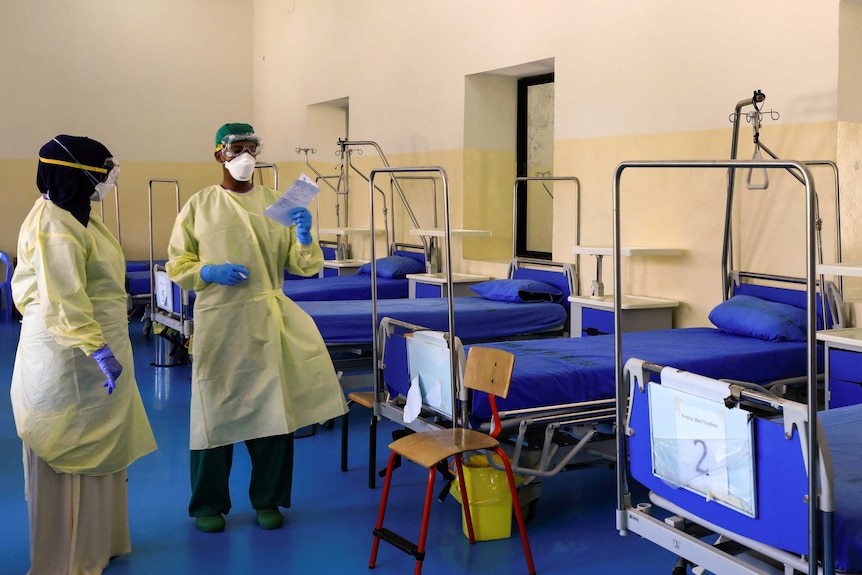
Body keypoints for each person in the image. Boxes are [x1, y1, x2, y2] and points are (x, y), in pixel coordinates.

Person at [166, 122, 347, 533]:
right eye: (236, 149)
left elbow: (304, 266)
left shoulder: (277, 205)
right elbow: (177, 264)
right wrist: (207, 271)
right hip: (220, 324)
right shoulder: (199, 205)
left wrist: (304, 235)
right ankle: (208, 504)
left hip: (266, 320)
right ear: (219, 155)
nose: (245, 156)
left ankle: (269, 501)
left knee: (273, 413)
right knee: (214, 413)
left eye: (251, 148)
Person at [10, 135, 158, 574]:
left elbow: (96, 274)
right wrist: (97, 349)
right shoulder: (54, 225)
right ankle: (66, 556)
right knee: (68, 451)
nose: (104, 182)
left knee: (98, 450)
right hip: (69, 356)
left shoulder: (78, 216)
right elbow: (64, 300)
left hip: (92, 347)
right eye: (99, 173)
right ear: (75, 174)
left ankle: (98, 541)